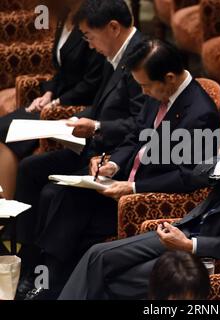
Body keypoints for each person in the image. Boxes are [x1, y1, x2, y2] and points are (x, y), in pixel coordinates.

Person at [22, 38, 220, 300]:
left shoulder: (200, 114)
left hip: (144, 198)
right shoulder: (156, 93)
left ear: (169, 78)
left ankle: (48, 285)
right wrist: (112, 163)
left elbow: (188, 177)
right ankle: (43, 276)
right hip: (121, 182)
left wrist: (133, 187)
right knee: (60, 194)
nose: (143, 92)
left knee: (73, 216)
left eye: (146, 85)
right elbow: (135, 137)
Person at [58, 99, 220, 300]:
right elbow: (198, 174)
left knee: (111, 279)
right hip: (186, 226)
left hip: (208, 252)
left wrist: (191, 246)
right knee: (97, 255)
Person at [14, 0, 144, 299]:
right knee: (30, 170)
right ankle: (28, 261)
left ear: (113, 28)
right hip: (91, 144)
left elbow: (142, 124)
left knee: (53, 193)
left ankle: (49, 279)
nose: (89, 44)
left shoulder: (141, 57)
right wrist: (77, 120)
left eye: (89, 36)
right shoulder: (116, 54)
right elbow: (103, 107)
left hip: (112, 154)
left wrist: (97, 126)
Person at [0, 0, 105, 199]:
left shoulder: (92, 22)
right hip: (58, 99)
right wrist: (48, 93)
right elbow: (61, 70)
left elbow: (92, 83)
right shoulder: (64, 16)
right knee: (3, 126)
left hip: (75, 106)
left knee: (8, 131)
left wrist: (57, 102)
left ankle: (6, 208)